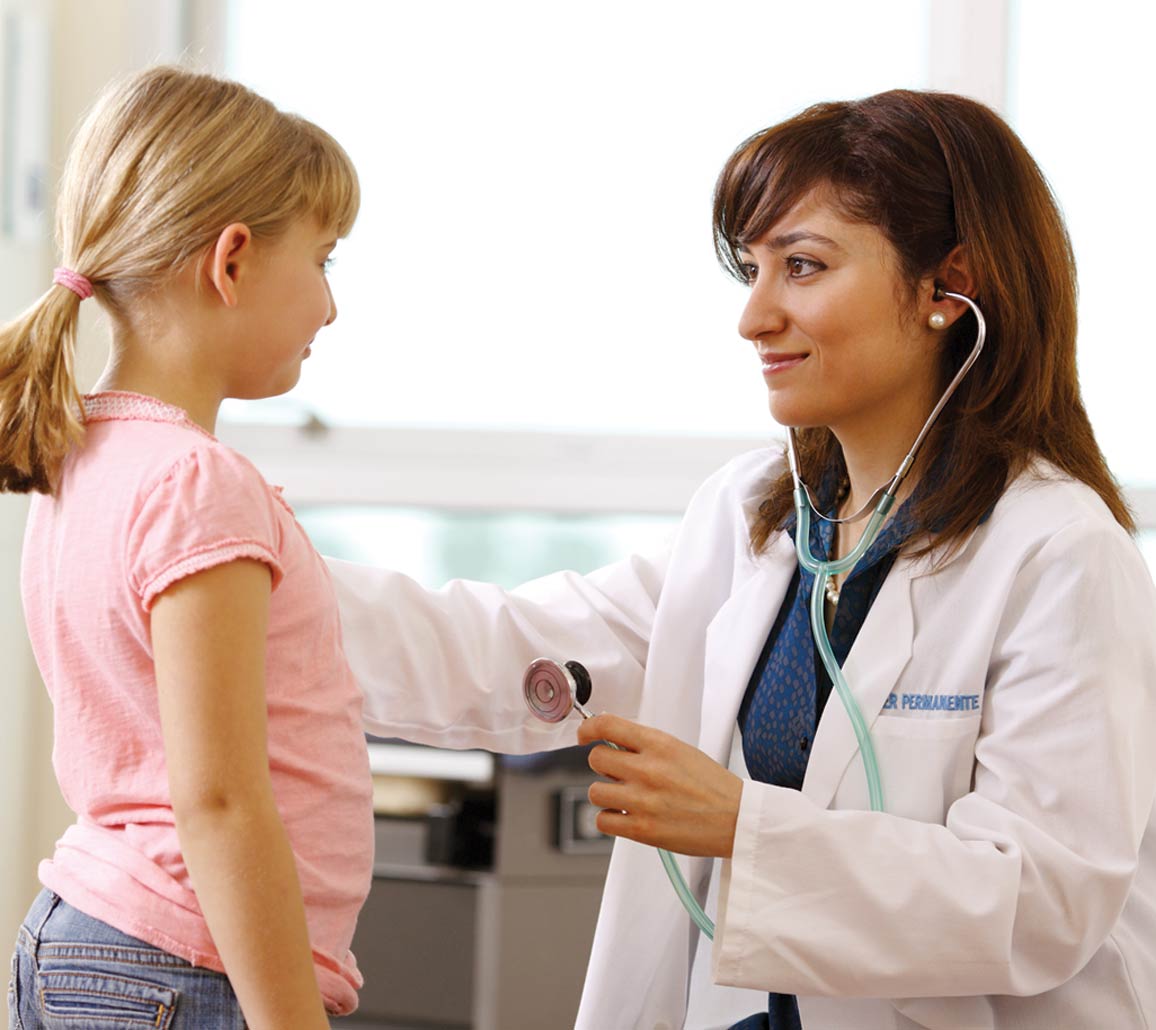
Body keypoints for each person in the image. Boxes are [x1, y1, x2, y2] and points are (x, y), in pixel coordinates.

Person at [327, 88, 1156, 1028]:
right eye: (753, 271)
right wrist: (267, 577)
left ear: (945, 284)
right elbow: (522, 646)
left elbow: (1043, 902)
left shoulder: (1057, 552)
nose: (754, 317)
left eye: (802, 267)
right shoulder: (754, 519)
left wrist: (743, 830)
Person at [1, 66, 370, 1028]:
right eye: (325, 261)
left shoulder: (86, 453)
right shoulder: (196, 483)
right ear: (233, 260)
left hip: (94, 942)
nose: (330, 308)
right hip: (184, 967)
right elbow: (219, 801)